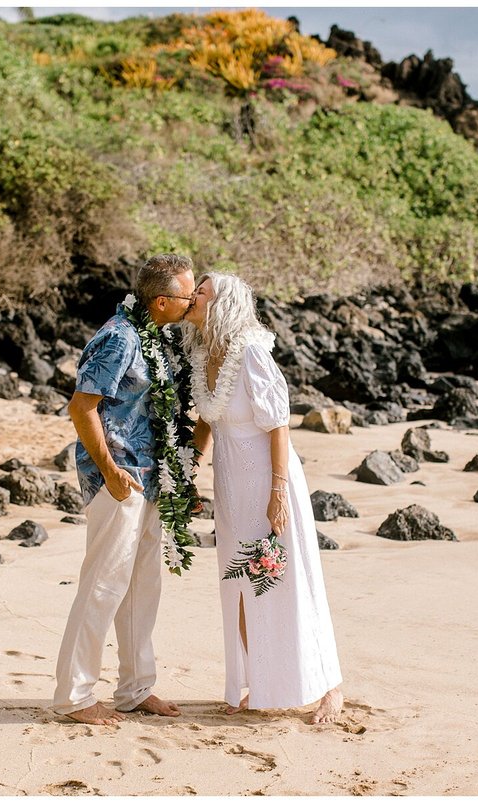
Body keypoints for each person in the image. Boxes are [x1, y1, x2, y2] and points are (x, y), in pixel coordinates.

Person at [182, 272, 344, 724]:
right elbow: (208, 420)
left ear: (223, 305)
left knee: (288, 578)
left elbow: (278, 423)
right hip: (231, 483)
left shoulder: (251, 353)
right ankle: (259, 681)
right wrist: (188, 471)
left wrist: (278, 491)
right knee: (241, 583)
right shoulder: (202, 354)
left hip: (270, 478)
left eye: (202, 292)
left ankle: (329, 686)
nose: (192, 296)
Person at [52, 253, 196, 725]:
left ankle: (136, 688)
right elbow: (81, 407)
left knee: (141, 588)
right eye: (187, 295)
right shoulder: (118, 338)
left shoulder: (153, 336)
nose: (192, 301)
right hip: (119, 480)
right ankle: (74, 696)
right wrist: (111, 471)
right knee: (103, 585)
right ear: (161, 300)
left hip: (152, 475)